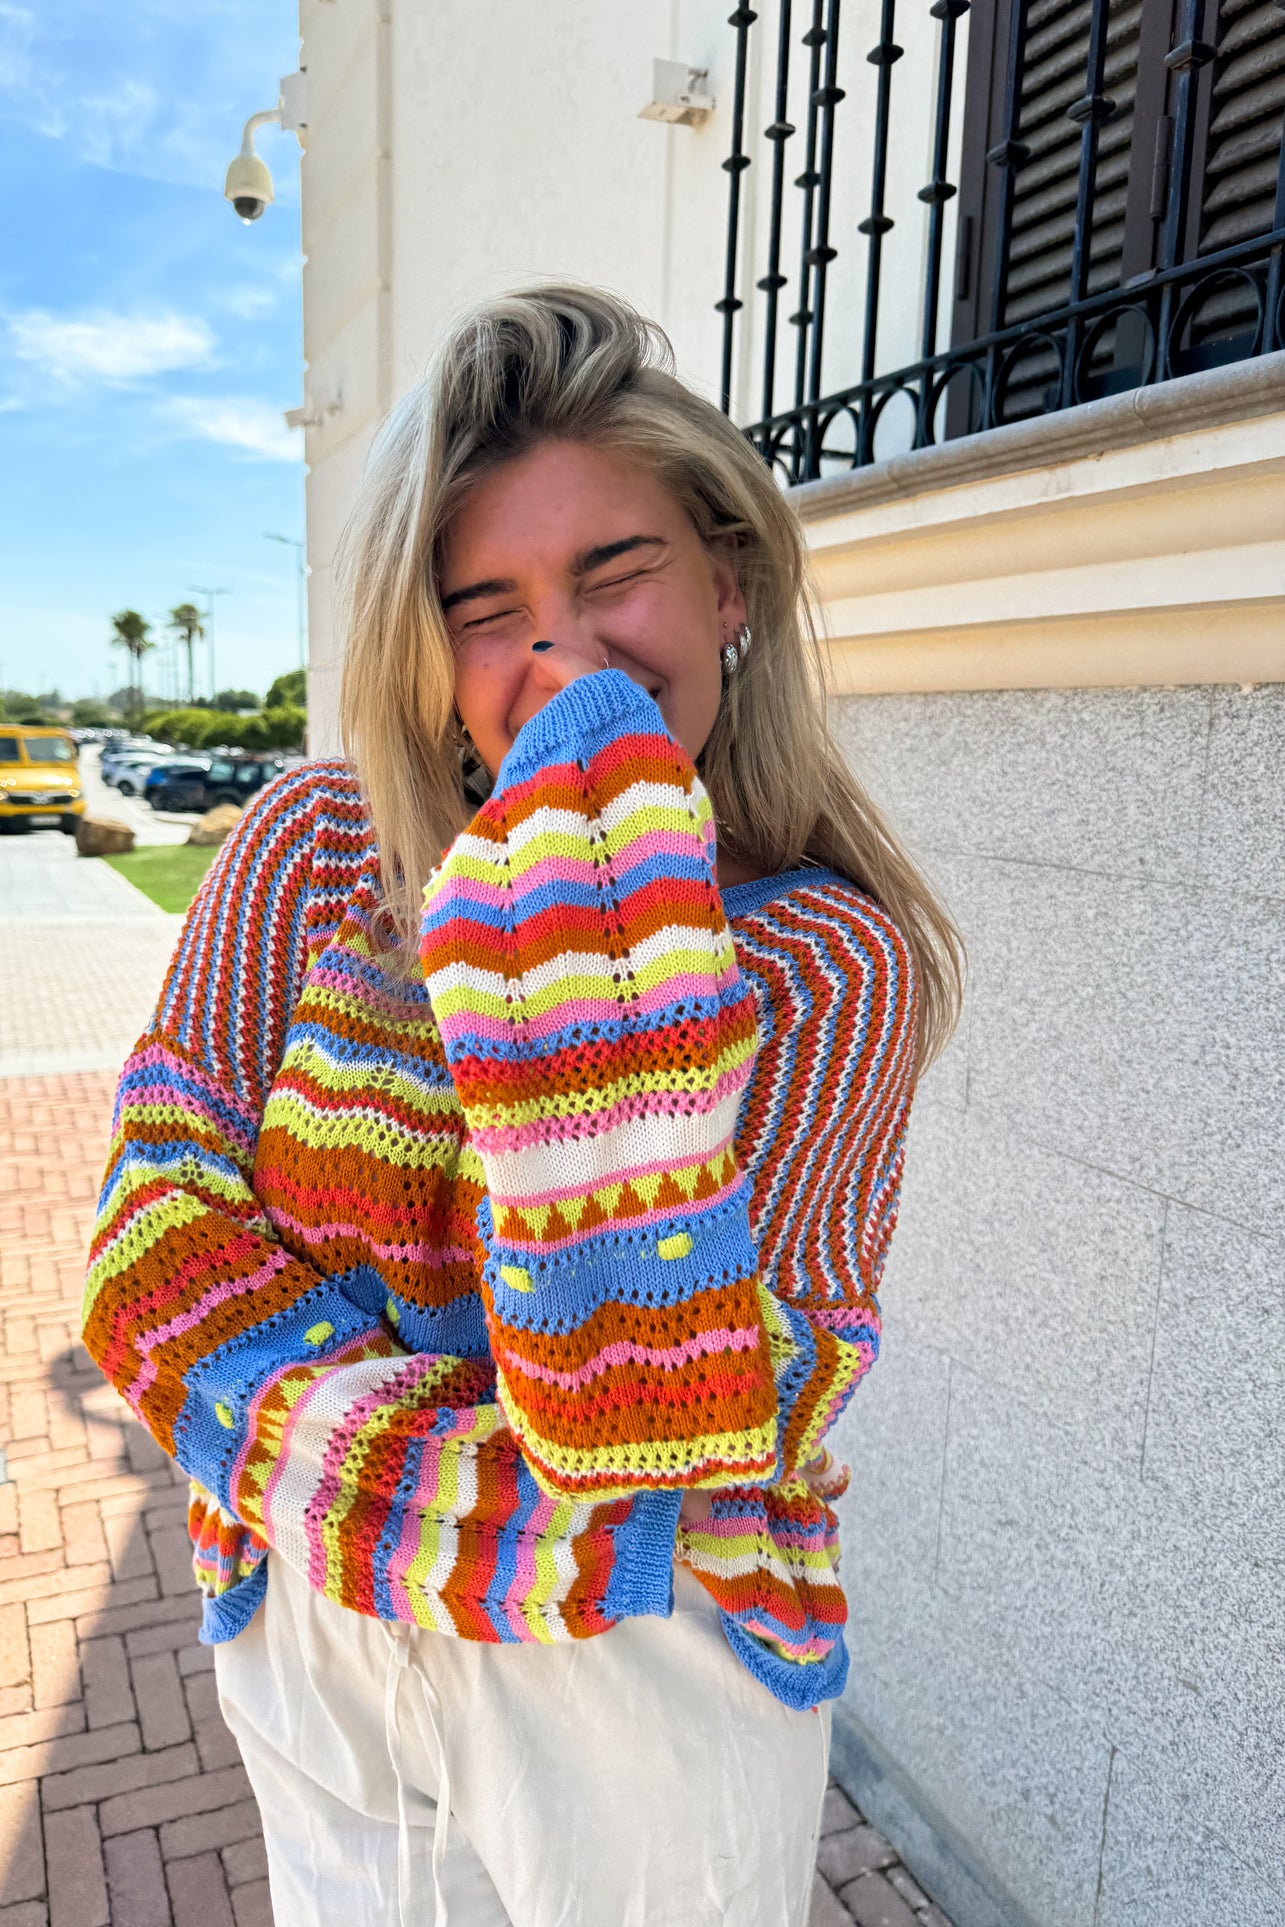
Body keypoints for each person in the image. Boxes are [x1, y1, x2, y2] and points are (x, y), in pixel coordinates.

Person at [83, 285, 963, 1927]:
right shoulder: (309, 847)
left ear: (728, 586)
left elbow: (662, 1428)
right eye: (484, 605)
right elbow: (147, 1248)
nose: (558, 649)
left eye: (612, 572)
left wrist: (595, 910)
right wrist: (456, 1508)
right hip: (312, 1617)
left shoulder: (829, 964)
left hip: (638, 1665)